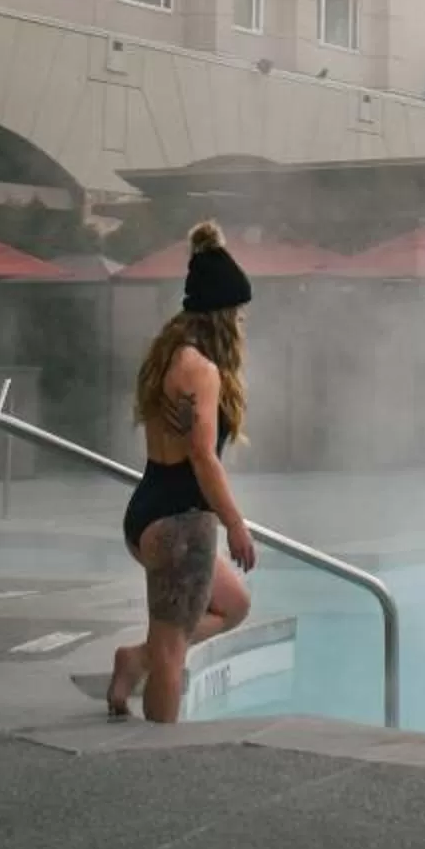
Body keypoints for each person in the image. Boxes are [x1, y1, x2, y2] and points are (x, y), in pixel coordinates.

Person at [107, 220, 259, 720]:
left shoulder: (170, 353)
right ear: (220, 314)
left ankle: (136, 660)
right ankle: (156, 762)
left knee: (233, 604)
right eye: (236, 312)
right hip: (176, 523)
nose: (240, 323)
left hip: (152, 508)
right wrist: (235, 525)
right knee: (173, 655)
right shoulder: (202, 369)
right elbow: (202, 456)